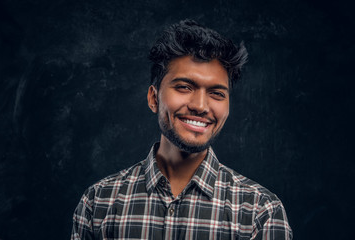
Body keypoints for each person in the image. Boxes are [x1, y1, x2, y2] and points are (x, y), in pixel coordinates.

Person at [71, 19, 292, 240]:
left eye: (216, 93)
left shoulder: (260, 212)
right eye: (184, 87)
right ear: (153, 98)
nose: (200, 106)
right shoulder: (98, 202)